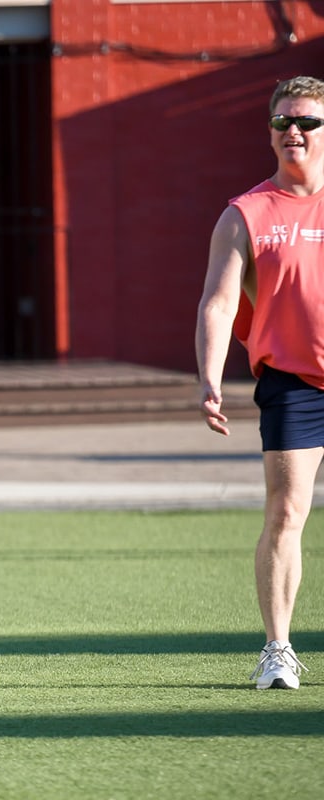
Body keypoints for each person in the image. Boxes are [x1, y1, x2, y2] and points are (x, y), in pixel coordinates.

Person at [195, 75, 324, 690]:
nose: (293, 131)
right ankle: (277, 650)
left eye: (307, 121)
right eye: (283, 122)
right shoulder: (245, 214)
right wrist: (210, 379)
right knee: (286, 511)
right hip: (294, 385)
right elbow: (219, 304)